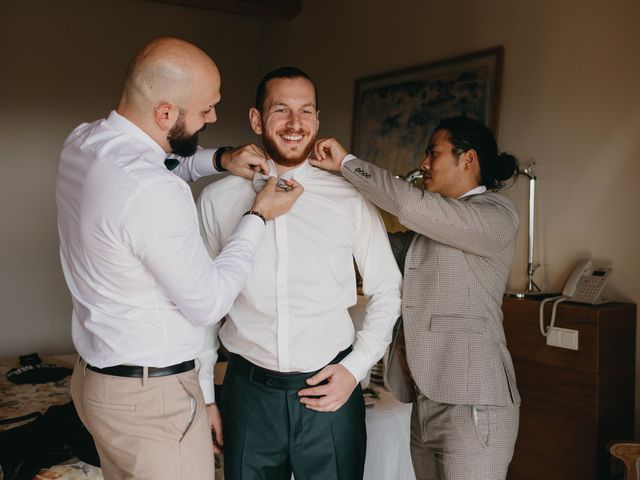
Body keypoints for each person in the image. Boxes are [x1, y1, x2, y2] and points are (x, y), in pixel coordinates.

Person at [55, 37, 302, 480]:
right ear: (165, 113)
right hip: (151, 399)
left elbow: (159, 162)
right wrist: (259, 216)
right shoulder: (152, 190)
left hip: (98, 385)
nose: (213, 116)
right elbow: (209, 303)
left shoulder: (85, 141)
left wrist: (221, 158)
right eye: (206, 109)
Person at [196, 67, 402, 480]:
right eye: (281, 110)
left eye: (305, 111)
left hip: (331, 391)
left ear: (318, 119)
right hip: (247, 395)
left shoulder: (350, 199)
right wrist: (205, 396)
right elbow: (201, 305)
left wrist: (354, 369)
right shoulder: (218, 200)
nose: (295, 124)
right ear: (256, 120)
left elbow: (388, 289)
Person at [311, 116, 521, 480]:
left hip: (473, 404)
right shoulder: (425, 234)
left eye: (433, 153)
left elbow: (411, 206)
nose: (424, 164)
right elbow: (369, 248)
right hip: (425, 401)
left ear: (467, 159)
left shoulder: (497, 215)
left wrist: (347, 165)